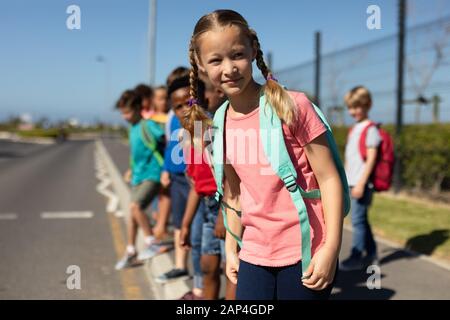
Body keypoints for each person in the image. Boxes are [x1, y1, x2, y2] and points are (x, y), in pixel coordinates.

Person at [182, 9, 345, 300]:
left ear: (253, 50)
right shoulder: (217, 123)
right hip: (254, 254)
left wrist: (331, 248)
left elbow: (329, 179)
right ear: (201, 64)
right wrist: (231, 250)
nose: (229, 68)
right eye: (216, 60)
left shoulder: (292, 105)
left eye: (237, 55)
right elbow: (233, 195)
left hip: (304, 249)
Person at [179, 78, 237, 300]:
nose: (185, 109)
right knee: (207, 265)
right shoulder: (188, 136)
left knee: (230, 268)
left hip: (225, 206)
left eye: (189, 102)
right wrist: (185, 223)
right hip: (206, 208)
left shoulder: (213, 130)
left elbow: (230, 178)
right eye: (177, 106)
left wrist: (224, 215)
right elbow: (196, 186)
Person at [114, 90, 171, 270]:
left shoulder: (148, 125)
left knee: (136, 207)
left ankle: (151, 241)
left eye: (127, 112)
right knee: (133, 215)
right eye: (122, 113)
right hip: (138, 175)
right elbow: (136, 152)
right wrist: (131, 169)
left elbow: (166, 141)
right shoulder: (132, 128)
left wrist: (166, 169)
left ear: (139, 108)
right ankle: (131, 250)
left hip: (153, 174)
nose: (124, 116)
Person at [340, 86, 380, 271]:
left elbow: (371, 159)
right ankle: (371, 253)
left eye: (357, 107)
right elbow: (350, 158)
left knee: (357, 221)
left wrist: (361, 184)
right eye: (350, 107)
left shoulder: (371, 129)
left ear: (368, 105)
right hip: (351, 181)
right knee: (361, 219)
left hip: (361, 184)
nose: (353, 111)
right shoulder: (354, 129)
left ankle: (356, 257)